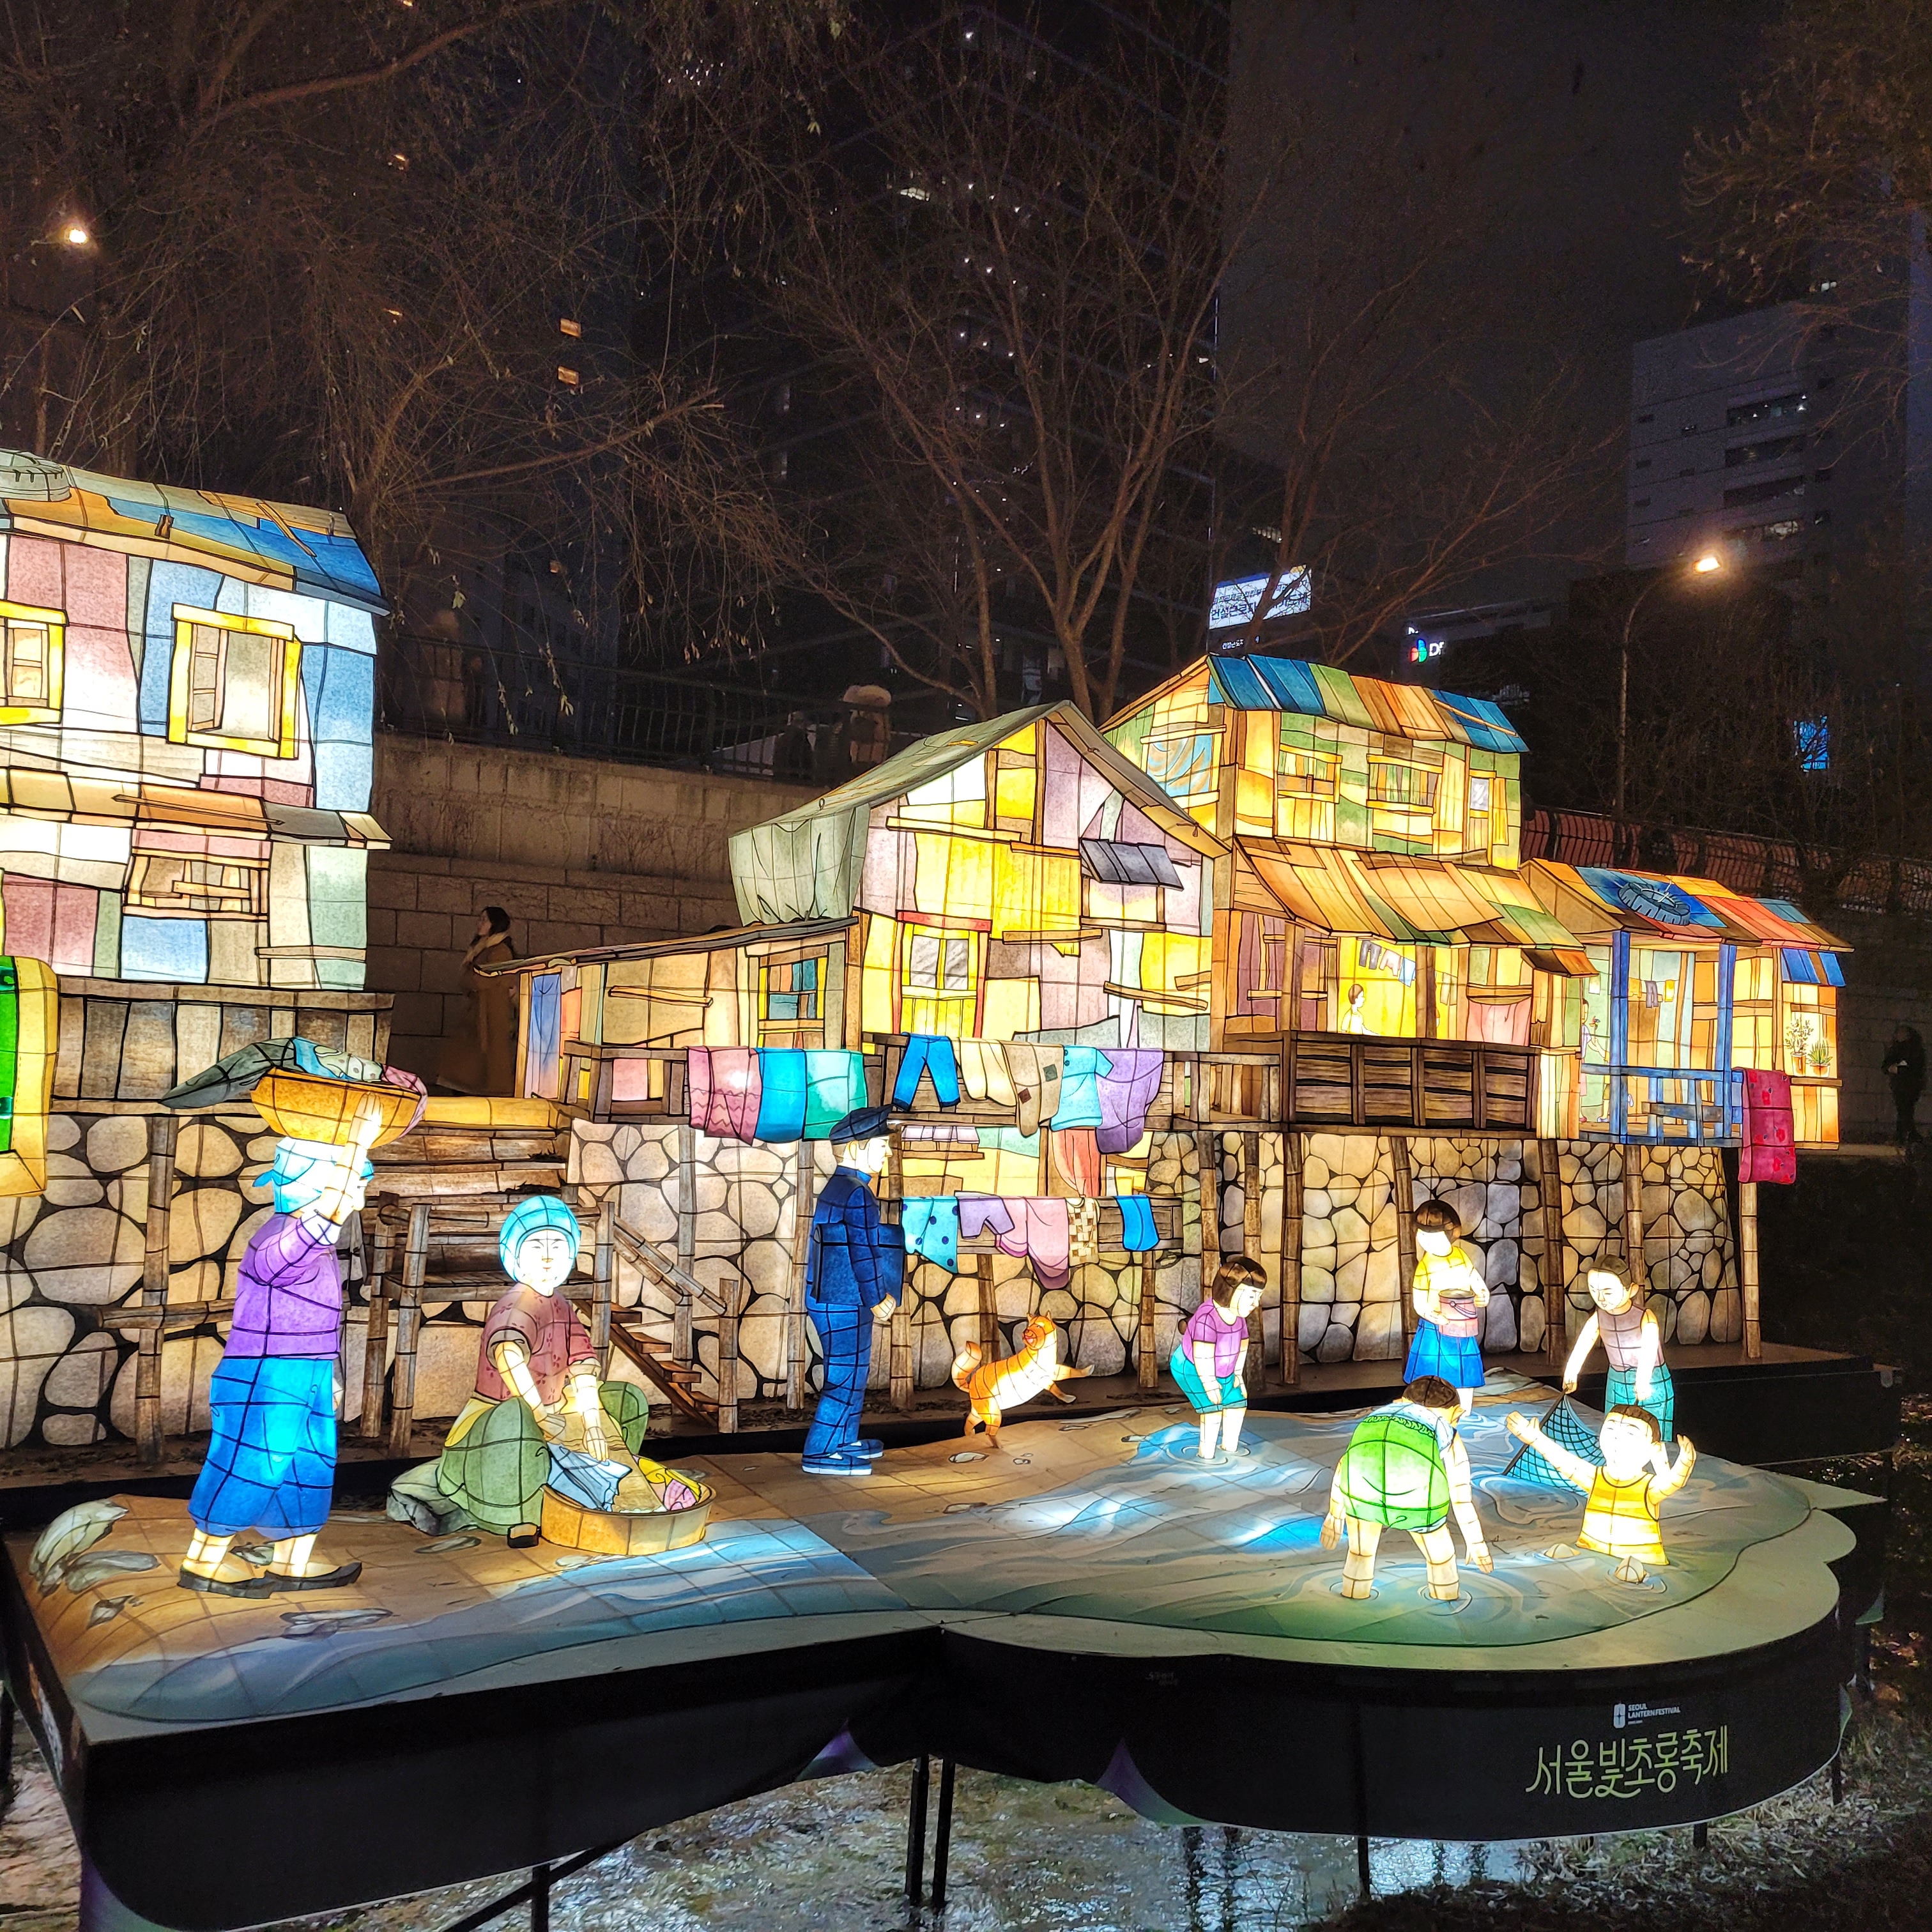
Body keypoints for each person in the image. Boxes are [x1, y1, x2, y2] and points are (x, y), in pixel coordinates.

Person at [180, 1109, 384, 1597]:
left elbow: (318, 1316)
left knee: (309, 1465)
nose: (357, 1197)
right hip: (264, 1377)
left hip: (307, 1373)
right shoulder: (279, 1241)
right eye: (352, 1184)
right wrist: (355, 1143)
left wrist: (328, 1375)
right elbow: (328, 1216)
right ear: (315, 1185)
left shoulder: (316, 1248)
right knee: (251, 1464)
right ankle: (203, 1562)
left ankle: (292, 1562)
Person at [427, 1196, 698, 1545]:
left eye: (557, 1246)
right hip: (498, 1421)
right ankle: (522, 1516)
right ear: (515, 1254)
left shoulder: (561, 1304)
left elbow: (582, 1366)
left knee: (625, 1400)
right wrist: (539, 1414)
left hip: (557, 1410)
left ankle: (627, 1496)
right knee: (519, 1419)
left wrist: (592, 1422)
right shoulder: (515, 1305)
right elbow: (509, 1356)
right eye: (536, 1247)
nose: (547, 1257)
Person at [1322, 1376, 1492, 1601]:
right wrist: (1476, 1542)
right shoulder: (1447, 1429)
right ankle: (1446, 1598)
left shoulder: (1376, 1417)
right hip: (1418, 1500)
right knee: (1440, 1559)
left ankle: (1354, 1594)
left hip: (1362, 1494)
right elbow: (1461, 1496)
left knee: (1360, 1553)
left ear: (1400, 1401)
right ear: (1455, 1413)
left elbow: (1347, 1462)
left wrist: (1335, 1514)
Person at [802, 1105, 902, 1475]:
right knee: (845, 1375)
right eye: (881, 1145)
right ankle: (820, 1451)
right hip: (845, 1300)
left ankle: (842, 1440)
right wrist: (877, 1298)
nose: (887, 1152)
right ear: (857, 1148)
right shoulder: (858, 1194)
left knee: (854, 1371)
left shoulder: (840, 1187)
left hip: (832, 1295)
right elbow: (863, 1252)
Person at [1505, 1403, 1696, 1584]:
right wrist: (1535, 1439)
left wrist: (1684, 1464)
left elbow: (1672, 1482)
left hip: (1639, 1558)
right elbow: (1563, 1460)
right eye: (1611, 1430)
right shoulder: (1596, 1477)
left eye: (1630, 1434)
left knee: (1630, 1571)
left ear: (1653, 1449)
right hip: (1590, 1550)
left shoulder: (1648, 1488)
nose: (1617, 1440)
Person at [1169, 1255, 1266, 1462]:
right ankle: (1207, 1456)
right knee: (1212, 1410)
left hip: (1223, 1370)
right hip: (1191, 1367)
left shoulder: (1238, 1318)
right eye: (1251, 1296)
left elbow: (1242, 1345)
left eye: (1258, 1296)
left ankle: (1230, 1449)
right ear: (1230, 1291)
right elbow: (1202, 1355)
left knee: (1237, 1403)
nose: (1256, 1304)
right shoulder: (1207, 1318)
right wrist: (1209, 1383)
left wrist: (1238, 1375)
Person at [1562, 1268, 1674, 1444]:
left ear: (1632, 1290)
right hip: (1617, 1381)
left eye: (1608, 1292)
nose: (1601, 1298)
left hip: (1652, 1380)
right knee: (1615, 1432)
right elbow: (1584, 1343)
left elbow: (1650, 1347)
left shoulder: (1645, 1317)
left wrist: (1643, 1380)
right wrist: (1571, 1372)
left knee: (1654, 1435)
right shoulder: (1598, 1318)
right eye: (1594, 1291)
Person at [1402, 1200, 1488, 1416]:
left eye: (1433, 1234)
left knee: (1465, 1371)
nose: (1426, 1240)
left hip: (1462, 1326)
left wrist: (1482, 1293)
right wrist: (1432, 1315)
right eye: (1422, 1234)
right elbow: (1419, 1302)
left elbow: (1473, 1277)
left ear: (1452, 1232)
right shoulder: (1425, 1267)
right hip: (1435, 1330)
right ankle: (1429, 1408)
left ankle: (1463, 1409)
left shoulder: (1460, 1256)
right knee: (1431, 1371)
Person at [438, 907, 517, 1096]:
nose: (479, 923)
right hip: (480, 1010)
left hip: (491, 1012)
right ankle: (470, 1086)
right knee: (472, 1051)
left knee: (488, 1051)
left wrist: (470, 979)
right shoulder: (483, 948)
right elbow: (469, 980)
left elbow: (480, 979)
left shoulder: (499, 950)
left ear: (494, 924)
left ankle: (490, 1089)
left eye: (484, 920)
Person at [1883, 1023, 1924, 1146]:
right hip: (1899, 1085)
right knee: (1904, 1111)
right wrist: (1892, 1068)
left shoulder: (1915, 1049)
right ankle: (1909, 1136)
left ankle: (1906, 1136)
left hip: (1911, 1085)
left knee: (1905, 1111)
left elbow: (1914, 1066)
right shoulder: (1896, 1049)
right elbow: (1886, 1065)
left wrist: (1898, 1069)